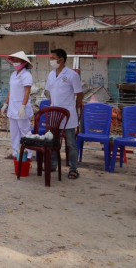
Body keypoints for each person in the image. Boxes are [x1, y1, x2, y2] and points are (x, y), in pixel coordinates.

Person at [46, 48, 84, 179]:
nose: (51, 60)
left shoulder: (72, 75)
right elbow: (51, 93)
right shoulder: (51, 74)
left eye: (53, 58)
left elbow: (79, 94)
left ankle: (73, 169)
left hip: (69, 114)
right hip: (55, 114)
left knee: (70, 143)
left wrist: (75, 109)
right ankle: (53, 164)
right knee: (54, 141)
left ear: (60, 60)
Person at [1, 51, 34, 160]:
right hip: (12, 107)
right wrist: (6, 103)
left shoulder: (27, 75)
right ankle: (15, 153)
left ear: (23, 62)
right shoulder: (13, 74)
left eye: (16, 60)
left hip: (21, 108)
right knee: (14, 132)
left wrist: (23, 106)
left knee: (25, 132)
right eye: (13, 60)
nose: (14, 62)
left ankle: (29, 154)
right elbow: (11, 90)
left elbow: (27, 92)